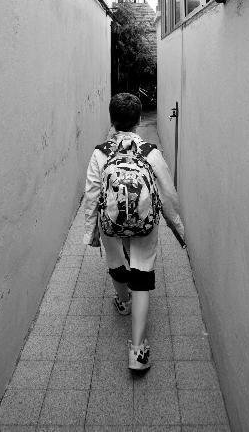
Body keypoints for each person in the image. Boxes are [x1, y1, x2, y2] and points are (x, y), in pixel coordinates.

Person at [82, 93, 185, 371]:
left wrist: (90, 230)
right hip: (144, 221)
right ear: (140, 120)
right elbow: (167, 192)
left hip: (111, 223)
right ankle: (138, 351)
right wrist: (177, 225)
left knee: (116, 262)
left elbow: (92, 195)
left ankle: (123, 302)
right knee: (142, 274)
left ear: (112, 120)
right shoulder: (150, 152)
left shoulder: (100, 153)